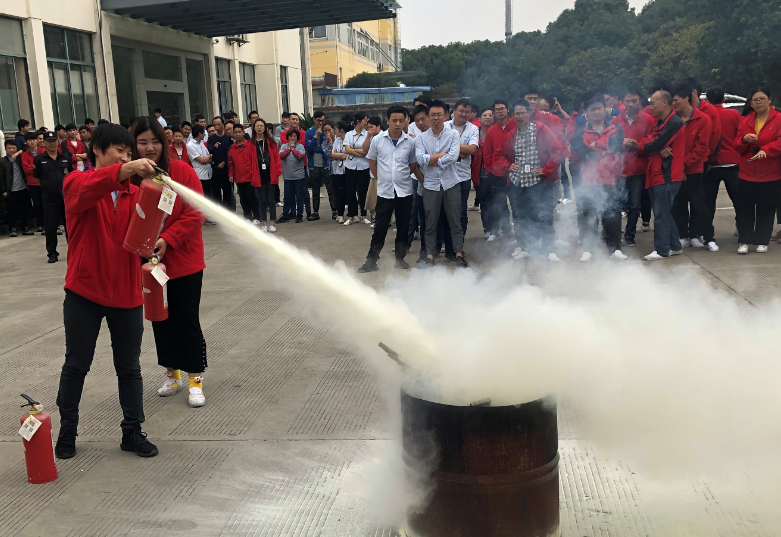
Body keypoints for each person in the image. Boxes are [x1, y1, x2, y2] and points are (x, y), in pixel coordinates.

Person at [55, 122, 160, 460]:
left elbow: (143, 239)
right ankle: (67, 430)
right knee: (76, 364)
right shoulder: (77, 183)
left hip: (127, 294)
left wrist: (154, 245)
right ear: (97, 150)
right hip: (84, 292)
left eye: (130, 153)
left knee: (129, 367)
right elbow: (90, 187)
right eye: (120, 151)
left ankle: (133, 431)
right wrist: (126, 170)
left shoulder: (137, 195)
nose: (126, 158)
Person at [128, 117, 208, 409]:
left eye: (154, 141)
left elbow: (196, 211)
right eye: (142, 142)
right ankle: (172, 374)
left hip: (184, 262)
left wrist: (168, 239)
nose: (149, 148)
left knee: (186, 320)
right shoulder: (130, 177)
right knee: (160, 320)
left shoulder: (181, 172)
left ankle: (195, 379)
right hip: (149, 265)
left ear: (164, 142)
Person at [494, 99, 566, 262]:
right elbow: (498, 155)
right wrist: (508, 166)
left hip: (539, 182)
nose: (520, 116)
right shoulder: (511, 135)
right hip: (518, 183)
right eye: (517, 114)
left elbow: (557, 152)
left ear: (529, 113)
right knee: (521, 216)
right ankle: (526, 247)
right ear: (513, 116)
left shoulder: (542, 130)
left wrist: (546, 170)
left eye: (523, 113)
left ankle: (549, 249)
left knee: (544, 214)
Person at [358, 105, 421, 272]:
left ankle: (400, 259)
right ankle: (371, 261)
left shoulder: (410, 142)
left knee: (403, 227)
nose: (397, 124)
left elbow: (413, 165)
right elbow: (372, 163)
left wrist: (399, 177)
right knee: (380, 228)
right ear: (387, 121)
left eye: (401, 120)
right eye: (394, 120)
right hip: (385, 192)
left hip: (404, 191)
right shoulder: (378, 140)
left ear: (406, 121)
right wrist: (383, 178)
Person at [626, 91, 686, 260]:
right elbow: (651, 141)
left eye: (653, 103)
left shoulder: (673, 123)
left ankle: (661, 250)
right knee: (664, 212)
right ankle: (675, 246)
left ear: (664, 103)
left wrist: (645, 146)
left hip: (666, 174)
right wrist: (653, 146)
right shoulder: (662, 122)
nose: (650, 106)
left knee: (661, 214)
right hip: (657, 173)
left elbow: (653, 143)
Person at [570, 94, 627, 261]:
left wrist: (596, 145)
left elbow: (615, 146)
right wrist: (602, 148)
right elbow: (582, 152)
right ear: (586, 112)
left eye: (599, 108)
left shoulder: (616, 128)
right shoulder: (580, 132)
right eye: (592, 109)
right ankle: (588, 249)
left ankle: (615, 248)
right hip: (588, 179)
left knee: (612, 213)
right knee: (587, 213)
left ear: (605, 109)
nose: (596, 112)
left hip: (611, 177)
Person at [414, 100, 467, 268]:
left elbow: (454, 156)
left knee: (455, 220)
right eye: (432, 115)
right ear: (428, 117)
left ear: (445, 116)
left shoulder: (453, 135)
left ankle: (458, 253)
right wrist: (441, 156)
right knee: (430, 222)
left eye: (439, 115)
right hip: (430, 185)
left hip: (451, 183)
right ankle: (430, 254)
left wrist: (433, 160)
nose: (435, 118)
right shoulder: (421, 138)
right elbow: (420, 159)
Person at [734, 88, 781, 254]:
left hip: (770, 172)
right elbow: (736, 145)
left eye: (762, 98)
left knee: (766, 208)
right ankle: (744, 240)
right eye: (755, 100)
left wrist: (766, 150)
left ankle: (762, 240)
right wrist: (744, 139)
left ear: (769, 100)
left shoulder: (778, 119)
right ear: (751, 103)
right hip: (747, 172)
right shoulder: (745, 121)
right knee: (745, 208)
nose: (759, 102)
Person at [670, 82, 713, 250]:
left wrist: (684, 165)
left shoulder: (703, 119)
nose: (673, 103)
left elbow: (701, 148)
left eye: (676, 100)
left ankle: (700, 235)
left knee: (698, 205)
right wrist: (677, 167)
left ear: (686, 98)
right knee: (678, 204)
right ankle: (683, 235)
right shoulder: (672, 119)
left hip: (694, 170)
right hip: (675, 170)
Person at [613, 89, 655, 246]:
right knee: (615, 204)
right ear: (623, 102)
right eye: (628, 101)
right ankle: (614, 234)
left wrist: (639, 146)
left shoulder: (648, 120)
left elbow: (652, 141)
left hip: (638, 168)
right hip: (619, 169)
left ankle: (630, 235)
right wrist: (620, 143)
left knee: (635, 205)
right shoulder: (616, 121)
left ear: (640, 102)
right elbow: (609, 143)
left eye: (634, 101)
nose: (630, 104)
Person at [705, 87, 741, 243]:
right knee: (738, 199)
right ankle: (741, 227)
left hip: (712, 163)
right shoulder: (734, 114)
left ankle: (707, 233)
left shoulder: (705, 115)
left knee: (708, 201)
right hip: (733, 161)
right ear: (724, 99)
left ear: (707, 100)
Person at [33, 131, 72, 263]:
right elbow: (37, 177)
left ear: (57, 142)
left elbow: (71, 175)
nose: (52, 144)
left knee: (70, 227)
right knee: (51, 227)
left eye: (54, 141)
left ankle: (73, 252)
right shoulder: (39, 159)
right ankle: (52, 253)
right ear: (44, 143)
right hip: (49, 199)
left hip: (66, 198)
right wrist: (48, 186)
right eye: (49, 141)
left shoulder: (65, 158)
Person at [446, 98, 480, 243]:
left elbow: (472, 150)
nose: (464, 114)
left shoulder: (473, 129)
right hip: (445, 176)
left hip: (463, 177)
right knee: (445, 212)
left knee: (461, 212)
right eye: (461, 111)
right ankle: (446, 242)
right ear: (454, 111)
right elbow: (437, 148)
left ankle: (459, 243)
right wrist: (460, 150)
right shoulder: (444, 126)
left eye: (467, 112)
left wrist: (450, 147)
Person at [483, 100, 516, 241]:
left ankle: (517, 232)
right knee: (498, 204)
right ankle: (497, 230)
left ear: (508, 110)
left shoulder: (515, 125)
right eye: (497, 109)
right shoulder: (491, 131)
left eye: (502, 108)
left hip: (515, 172)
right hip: (497, 174)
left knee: (516, 203)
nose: (500, 111)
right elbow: (487, 153)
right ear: (494, 113)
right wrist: (489, 170)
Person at [249, 118, 282, 232]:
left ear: (265, 128)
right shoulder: (251, 144)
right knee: (262, 200)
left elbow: (277, 157)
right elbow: (248, 160)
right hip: (258, 175)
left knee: (271, 199)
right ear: (254, 128)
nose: (259, 128)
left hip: (270, 174)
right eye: (257, 126)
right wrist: (251, 173)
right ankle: (264, 223)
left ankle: (272, 223)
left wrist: (278, 170)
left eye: (261, 126)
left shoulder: (271, 142)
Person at [229, 123, 261, 224]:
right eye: (236, 132)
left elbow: (255, 161)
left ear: (243, 133)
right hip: (239, 178)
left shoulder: (250, 146)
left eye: (240, 132)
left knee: (252, 197)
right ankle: (247, 216)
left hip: (250, 177)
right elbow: (231, 163)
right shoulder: (231, 148)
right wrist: (231, 175)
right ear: (233, 134)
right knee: (243, 198)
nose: (238, 134)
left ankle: (257, 216)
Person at [343, 112, 371, 225]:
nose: (366, 122)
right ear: (358, 121)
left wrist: (354, 151)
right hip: (350, 166)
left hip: (364, 166)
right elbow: (347, 150)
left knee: (363, 192)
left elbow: (367, 151)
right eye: (365, 120)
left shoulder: (367, 135)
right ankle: (351, 216)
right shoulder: (349, 134)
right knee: (350, 191)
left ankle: (363, 215)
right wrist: (360, 152)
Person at [468, 107, 494, 233]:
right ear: (479, 118)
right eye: (485, 115)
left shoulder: (496, 132)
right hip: (479, 172)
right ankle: (488, 229)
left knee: (496, 202)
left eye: (490, 115)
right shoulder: (474, 133)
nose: (488, 117)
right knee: (484, 202)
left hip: (495, 173)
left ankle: (498, 228)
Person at [305, 111, 333, 221]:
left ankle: (335, 211)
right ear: (314, 119)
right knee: (315, 190)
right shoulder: (309, 132)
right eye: (318, 120)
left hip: (326, 164)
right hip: (314, 165)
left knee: (330, 189)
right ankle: (315, 212)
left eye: (322, 120)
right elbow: (309, 148)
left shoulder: (327, 131)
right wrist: (316, 136)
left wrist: (318, 148)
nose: (321, 123)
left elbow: (329, 147)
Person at [3, 139, 33, 236]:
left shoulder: (20, 158)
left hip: (23, 188)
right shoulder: (2, 161)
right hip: (10, 190)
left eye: (13, 148)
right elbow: (1, 177)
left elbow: (26, 147)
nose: (11, 150)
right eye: (9, 148)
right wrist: (3, 190)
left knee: (24, 209)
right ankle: (13, 229)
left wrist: (18, 153)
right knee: (11, 211)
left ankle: (25, 227)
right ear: (5, 149)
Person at [279, 129, 307, 223]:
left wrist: (294, 149)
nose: (292, 138)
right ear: (287, 137)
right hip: (287, 176)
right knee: (287, 197)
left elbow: (300, 157)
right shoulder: (283, 146)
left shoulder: (300, 147)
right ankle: (285, 214)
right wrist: (288, 149)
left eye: (294, 136)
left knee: (299, 196)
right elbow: (281, 156)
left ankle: (299, 215)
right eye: (290, 136)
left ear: (297, 137)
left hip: (298, 176)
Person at [21, 131, 44, 234]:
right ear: (26, 142)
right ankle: (40, 224)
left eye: (34, 139)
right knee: (37, 205)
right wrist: (37, 168)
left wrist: (33, 167)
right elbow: (26, 170)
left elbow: (45, 167)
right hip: (32, 184)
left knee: (46, 204)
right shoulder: (24, 155)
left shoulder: (43, 151)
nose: (32, 142)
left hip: (44, 182)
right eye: (29, 140)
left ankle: (50, 224)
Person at [207, 116, 233, 209]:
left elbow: (230, 153)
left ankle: (228, 211)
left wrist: (224, 162)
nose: (217, 127)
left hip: (226, 169)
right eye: (215, 125)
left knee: (227, 192)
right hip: (215, 169)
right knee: (216, 193)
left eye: (219, 124)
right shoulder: (211, 138)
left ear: (223, 124)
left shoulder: (227, 138)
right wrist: (214, 146)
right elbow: (209, 150)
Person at [362, 116, 383, 226]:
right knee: (373, 198)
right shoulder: (371, 137)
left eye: (372, 127)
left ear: (378, 126)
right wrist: (368, 136)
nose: (370, 129)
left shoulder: (383, 137)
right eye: (368, 127)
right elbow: (364, 150)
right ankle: (376, 217)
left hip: (383, 172)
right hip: (374, 172)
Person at [328, 121, 349, 223]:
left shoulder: (349, 139)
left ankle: (352, 214)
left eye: (336, 129)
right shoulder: (337, 140)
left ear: (342, 130)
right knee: (339, 193)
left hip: (349, 169)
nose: (335, 131)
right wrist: (343, 155)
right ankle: (340, 215)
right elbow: (332, 154)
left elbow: (351, 153)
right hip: (338, 169)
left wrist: (339, 155)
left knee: (349, 192)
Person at [187, 124, 214, 202]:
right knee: (203, 197)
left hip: (209, 174)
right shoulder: (190, 145)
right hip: (200, 176)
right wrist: (208, 157)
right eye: (204, 132)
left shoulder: (201, 143)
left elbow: (210, 156)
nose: (205, 134)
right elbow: (202, 161)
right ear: (200, 133)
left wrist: (208, 157)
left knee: (210, 197)